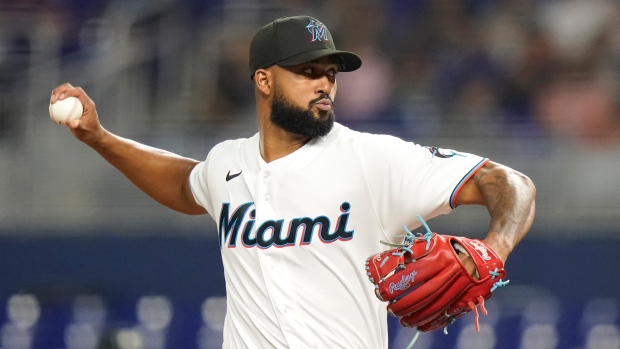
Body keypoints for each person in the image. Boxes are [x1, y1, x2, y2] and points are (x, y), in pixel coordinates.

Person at [50, 15, 536, 349]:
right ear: (264, 81)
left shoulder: (372, 159)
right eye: (307, 71)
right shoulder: (227, 164)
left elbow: (507, 182)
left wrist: (495, 247)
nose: (325, 83)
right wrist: (100, 138)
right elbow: (185, 185)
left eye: (330, 72)